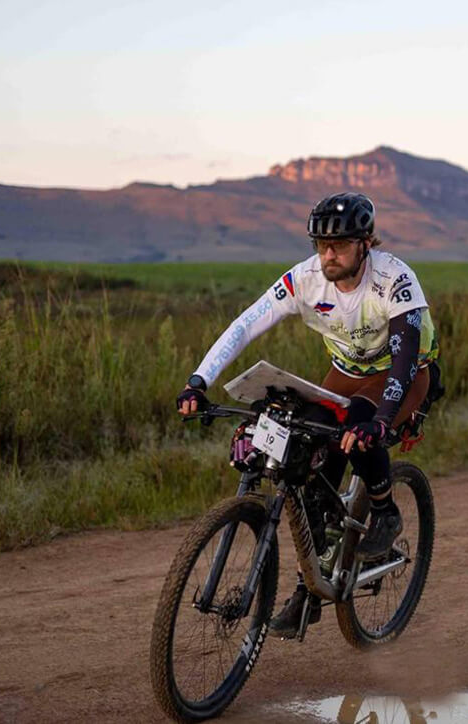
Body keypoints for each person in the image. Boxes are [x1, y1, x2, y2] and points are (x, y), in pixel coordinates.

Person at [175, 191, 439, 634]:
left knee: (358, 421)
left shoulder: (394, 278)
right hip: (344, 371)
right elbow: (245, 325)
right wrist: (199, 380)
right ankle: (311, 586)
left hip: (404, 374)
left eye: (339, 245)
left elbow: (404, 359)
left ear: (366, 243)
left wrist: (378, 421)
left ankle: (384, 508)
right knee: (310, 470)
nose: (328, 254)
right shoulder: (304, 279)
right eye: (321, 244)